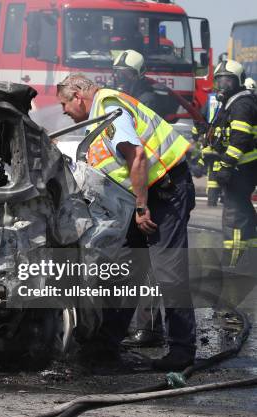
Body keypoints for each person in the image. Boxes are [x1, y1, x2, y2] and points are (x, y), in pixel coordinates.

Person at [56, 74, 196, 371]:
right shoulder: (99, 119)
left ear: (78, 96)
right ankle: (104, 345)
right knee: (124, 270)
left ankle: (182, 351)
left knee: (168, 272)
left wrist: (143, 207)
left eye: (64, 104)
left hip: (163, 193)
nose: (64, 112)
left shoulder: (109, 108)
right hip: (144, 197)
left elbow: (137, 157)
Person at [112, 49, 166, 347]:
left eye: (126, 74)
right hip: (134, 193)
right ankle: (128, 328)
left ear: (138, 75)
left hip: (153, 191)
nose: (120, 78)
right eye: (117, 73)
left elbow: (140, 154)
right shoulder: (124, 100)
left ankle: (150, 330)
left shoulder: (148, 101)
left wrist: (142, 204)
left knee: (148, 263)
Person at [210, 60, 257, 267]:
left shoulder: (241, 104)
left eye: (228, 81)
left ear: (238, 81)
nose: (223, 86)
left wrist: (227, 166)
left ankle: (232, 259)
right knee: (244, 209)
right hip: (243, 168)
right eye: (219, 80)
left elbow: (239, 139)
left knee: (234, 214)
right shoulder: (232, 102)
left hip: (241, 169)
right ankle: (251, 255)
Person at [112, 49, 167, 117]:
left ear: (139, 74)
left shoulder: (147, 100)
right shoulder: (110, 92)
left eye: (127, 73)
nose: (121, 78)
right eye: (119, 73)